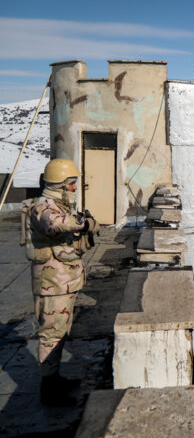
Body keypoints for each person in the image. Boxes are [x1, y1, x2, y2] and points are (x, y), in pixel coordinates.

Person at [23, 158, 98, 406]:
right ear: (60, 184)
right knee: (50, 336)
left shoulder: (60, 205)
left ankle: (55, 379)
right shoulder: (43, 207)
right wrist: (85, 223)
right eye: (72, 183)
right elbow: (55, 224)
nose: (76, 188)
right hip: (52, 285)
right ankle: (49, 390)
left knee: (60, 333)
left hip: (64, 283)